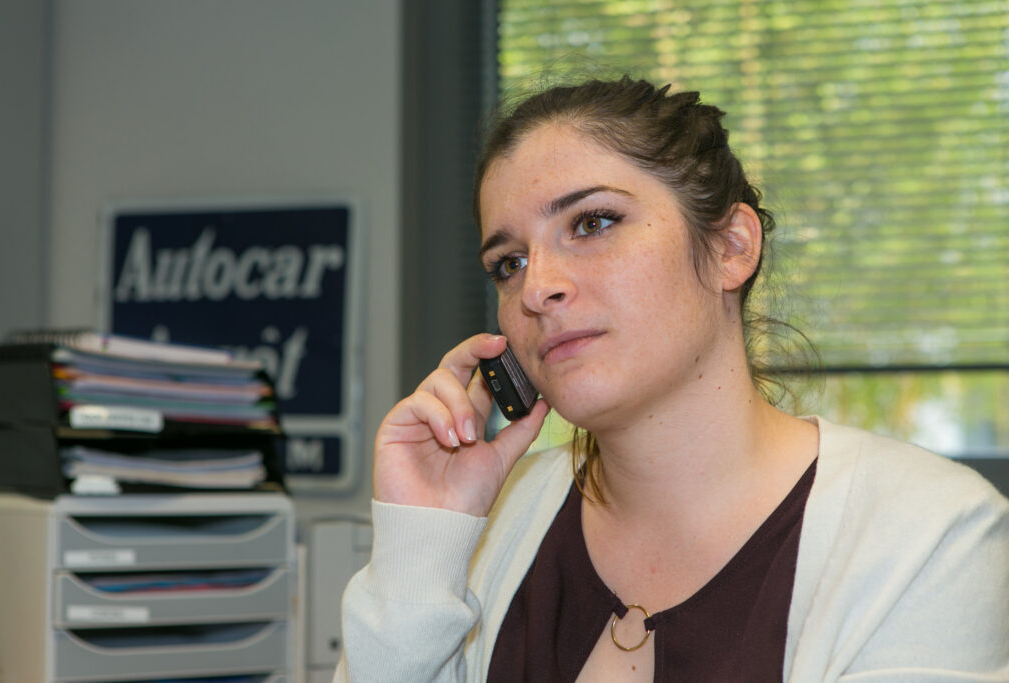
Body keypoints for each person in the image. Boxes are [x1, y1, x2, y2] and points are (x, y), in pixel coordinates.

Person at [334, 76, 1009, 682]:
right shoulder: (492, 524)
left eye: (592, 222)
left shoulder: (930, 536)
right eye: (509, 262)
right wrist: (421, 547)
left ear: (730, 247)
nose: (537, 287)